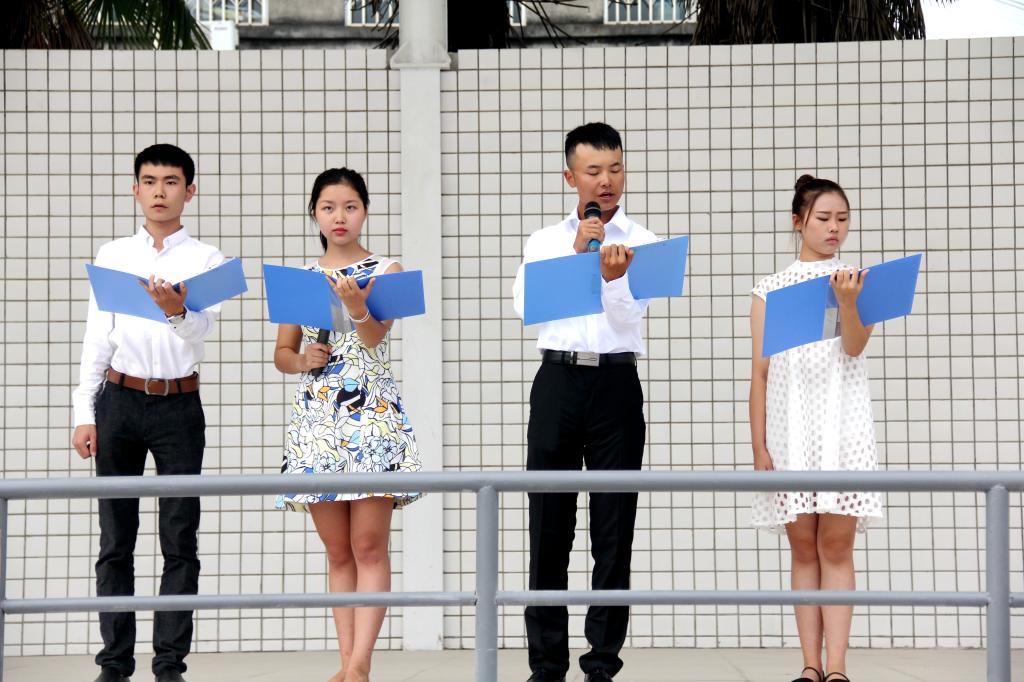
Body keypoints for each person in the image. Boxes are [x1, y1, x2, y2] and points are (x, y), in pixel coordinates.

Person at [511, 122, 659, 682]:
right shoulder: (544, 241)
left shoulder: (641, 239)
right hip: (558, 380)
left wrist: (615, 279)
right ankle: (546, 663)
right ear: (570, 177)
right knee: (548, 522)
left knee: (614, 525)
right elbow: (528, 307)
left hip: (616, 383)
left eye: (615, 168)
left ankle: (601, 663)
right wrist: (579, 260)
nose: (606, 181)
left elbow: (628, 318)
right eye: (593, 171)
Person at [72, 144, 224, 682]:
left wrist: (177, 310)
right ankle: (114, 664)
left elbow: (201, 331)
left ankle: (169, 665)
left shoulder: (207, 259)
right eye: (151, 181)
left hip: (179, 404)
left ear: (190, 191)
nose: (161, 191)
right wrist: (84, 411)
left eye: (172, 181)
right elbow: (98, 336)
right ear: (135, 189)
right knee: (115, 538)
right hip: (118, 400)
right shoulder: (113, 253)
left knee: (180, 538)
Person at [274, 167, 422, 682]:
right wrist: (303, 360)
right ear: (315, 214)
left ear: (365, 211)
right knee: (338, 551)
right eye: (329, 207)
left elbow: (376, 337)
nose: (340, 216)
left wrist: (358, 308)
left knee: (369, 545)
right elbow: (282, 353)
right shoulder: (300, 279)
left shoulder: (386, 269)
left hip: (372, 418)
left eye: (350, 206)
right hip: (317, 420)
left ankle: (360, 664)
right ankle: (345, 664)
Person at [749, 175, 884, 682]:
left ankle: (838, 667)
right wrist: (760, 446)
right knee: (803, 547)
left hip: (843, 426)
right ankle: (810, 665)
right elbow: (761, 373)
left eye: (842, 219)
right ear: (798, 222)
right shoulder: (770, 289)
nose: (834, 228)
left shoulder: (857, 281)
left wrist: (848, 302)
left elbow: (854, 346)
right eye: (824, 218)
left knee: (837, 546)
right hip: (791, 429)